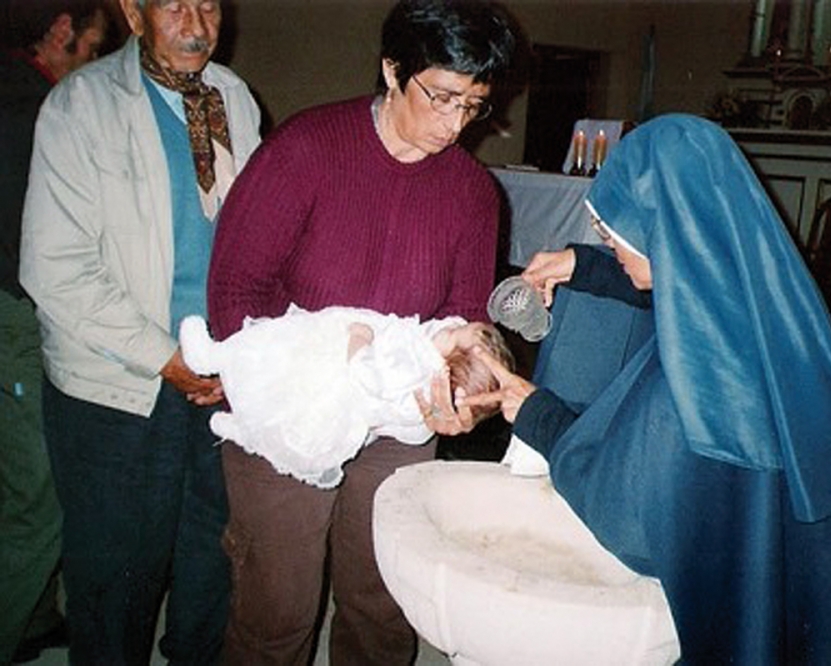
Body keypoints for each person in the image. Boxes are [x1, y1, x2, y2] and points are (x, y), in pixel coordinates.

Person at [465, 114, 831, 664]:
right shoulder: (761, 290)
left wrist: (535, 412)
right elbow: (685, 280)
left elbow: (626, 511)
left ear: (661, 225)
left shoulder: (696, 378)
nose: (609, 243)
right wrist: (585, 266)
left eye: (612, 234)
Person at [206, 0, 518, 662]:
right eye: (442, 98)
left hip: (398, 416)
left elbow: (467, 314)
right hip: (290, 414)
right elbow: (234, 293)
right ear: (393, 69)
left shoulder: (472, 192)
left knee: (382, 607)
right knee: (276, 613)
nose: (455, 124)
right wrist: (301, 382)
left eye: (473, 105)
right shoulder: (305, 151)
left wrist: (467, 391)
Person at [17, 0, 261, 662]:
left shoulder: (234, 98)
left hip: (219, 375)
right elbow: (54, 267)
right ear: (133, 11)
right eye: (175, 4)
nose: (196, 24)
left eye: (207, 4)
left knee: (213, 561)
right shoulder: (82, 105)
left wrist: (245, 350)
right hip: (117, 387)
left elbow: (254, 235)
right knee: (115, 580)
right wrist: (167, 358)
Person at [0, 1, 107, 663]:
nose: (90, 63)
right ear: (62, 31)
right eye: (92, 47)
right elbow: (41, 251)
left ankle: (36, 617)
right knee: (38, 500)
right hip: (15, 317)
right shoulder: (33, 110)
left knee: (21, 482)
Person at [180, 306, 514, 488]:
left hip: (333, 374)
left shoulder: (412, 372)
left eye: (455, 332)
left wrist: (360, 339)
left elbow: (365, 375)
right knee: (284, 410)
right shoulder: (432, 358)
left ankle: (213, 358)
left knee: (276, 350)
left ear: (447, 369)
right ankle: (241, 423)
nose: (450, 324)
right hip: (342, 405)